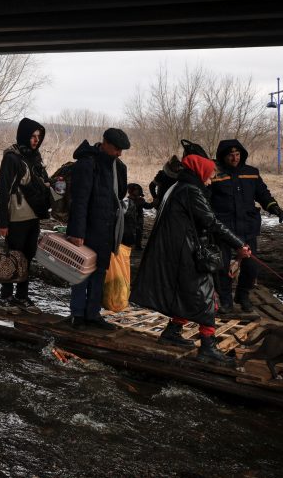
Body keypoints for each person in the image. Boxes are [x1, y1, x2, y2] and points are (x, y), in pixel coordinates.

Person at [130, 154, 251, 367]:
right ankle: (207, 347)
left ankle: (172, 331)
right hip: (185, 253)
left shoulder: (178, 186)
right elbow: (211, 222)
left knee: (187, 293)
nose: (211, 179)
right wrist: (239, 244)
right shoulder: (191, 190)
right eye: (210, 175)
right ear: (200, 172)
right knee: (207, 297)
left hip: (177, 251)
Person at [210, 139, 283, 314]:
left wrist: (273, 207)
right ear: (222, 157)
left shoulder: (251, 173)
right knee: (222, 267)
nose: (234, 158)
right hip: (224, 229)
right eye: (230, 155)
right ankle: (226, 300)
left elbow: (263, 194)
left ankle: (242, 296)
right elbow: (205, 200)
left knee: (251, 267)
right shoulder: (214, 174)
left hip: (247, 227)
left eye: (237, 154)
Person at [67, 128, 130, 330]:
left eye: (122, 150)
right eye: (117, 149)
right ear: (105, 143)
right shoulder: (87, 164)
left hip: (107, 228)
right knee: (81, 273)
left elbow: (119, 195)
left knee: (100, 272)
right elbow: (79, 201)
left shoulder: (117, 166)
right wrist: (77, 233)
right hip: (87, 229)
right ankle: (77, 314)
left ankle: (92, 314)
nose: (119, 153)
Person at [0, 118, 51, 312]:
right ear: (24, 135)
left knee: (28, 257)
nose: (36, 140)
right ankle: (5, 296)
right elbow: (3, 192)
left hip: (33, 216)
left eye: (39, 137)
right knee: (12, 257)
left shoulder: (35, 158)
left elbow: (43, 181)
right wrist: (2, 222)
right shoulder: (12, 158)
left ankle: (22, 296)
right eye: (33, 136)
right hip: (16, 217)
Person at [126, 183, 149, 249]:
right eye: (136, 190)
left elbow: (147, 206)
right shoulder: (128, 201)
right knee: (130, 233)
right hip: (131, 221)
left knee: (139, 232)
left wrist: (153, 204)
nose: (138, 191)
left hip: (139, 220)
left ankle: (138, 245)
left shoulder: (140, 200)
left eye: (138, 190)